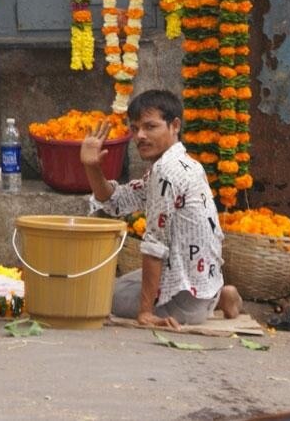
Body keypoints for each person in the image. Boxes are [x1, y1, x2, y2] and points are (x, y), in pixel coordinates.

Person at [81, 89, 242, 329]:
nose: (140, 136)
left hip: (183, 301)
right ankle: (220, 298)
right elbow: (117, 200)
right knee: (108, 284)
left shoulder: (167, 171)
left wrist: (145, 313)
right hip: (201, 286)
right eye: (135, 129)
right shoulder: (183, 163)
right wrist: (92, 167)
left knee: (94, 296)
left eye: (150, 127)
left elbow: (154, 246)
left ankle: (200, 306)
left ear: (175, 125)